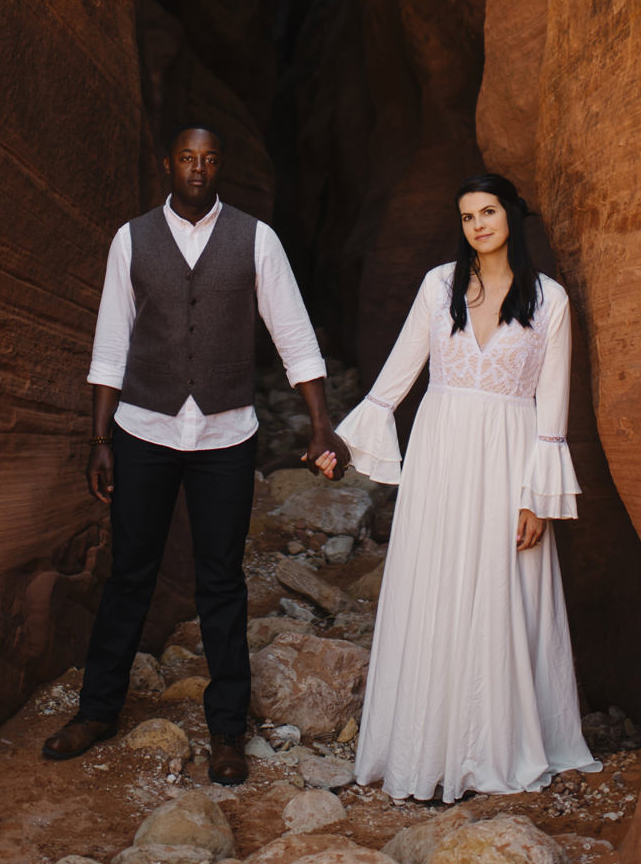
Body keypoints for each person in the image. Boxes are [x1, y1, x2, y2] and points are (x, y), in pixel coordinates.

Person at [44, 126, 345, 784]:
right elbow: (109, 344)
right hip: (142, 429)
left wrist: (321, 424)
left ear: (221, 168)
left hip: (225, 435)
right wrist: (100, 441)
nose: (198, 169)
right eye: (187, 158)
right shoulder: (132, 239)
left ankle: (227, 731)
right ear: (168, 166)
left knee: (221, 582)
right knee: (130, 573)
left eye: (209, 160)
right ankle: (96, 711)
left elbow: (294, 336)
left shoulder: (255, 239)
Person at [334, 173, 597, 799]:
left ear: (511, 216)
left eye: (488, 211)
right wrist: (342, 442)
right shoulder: (438, 286)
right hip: (441, 450)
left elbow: (553, 402)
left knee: (501, 587)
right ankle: (423, 746)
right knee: (436, 583)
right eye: (467, 217)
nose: (478, 225)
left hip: (511, 454)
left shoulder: (550, 299)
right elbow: (399, 371)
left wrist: (539, 495)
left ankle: (493, 746)